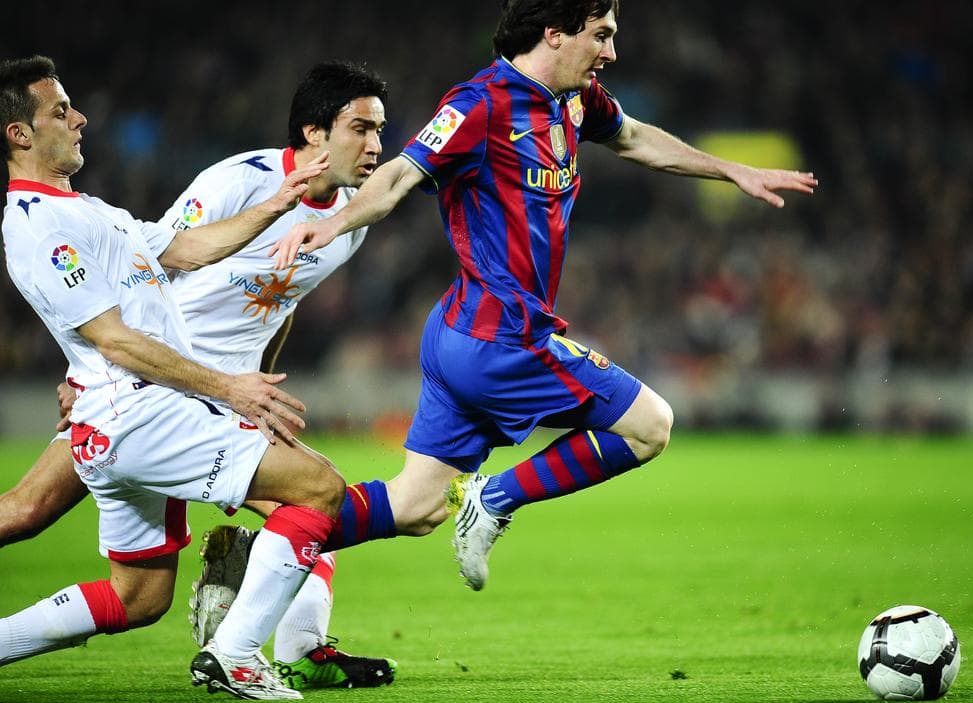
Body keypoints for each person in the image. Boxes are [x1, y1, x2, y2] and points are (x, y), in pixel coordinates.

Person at [267, 0, 819, 593]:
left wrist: (731, 170)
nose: (611, 52)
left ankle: (263, 552)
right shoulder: (479, 103)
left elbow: (634, 138)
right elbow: (402, 172)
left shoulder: (575, 100)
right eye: (600, 35)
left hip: (459, 333)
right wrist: (334, 222)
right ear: (555, 34)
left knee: (414, 507)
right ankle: (494, 497)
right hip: (499, 339)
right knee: (650, 426)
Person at [0, 60, 397, 691]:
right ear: (19, 134)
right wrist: (225, 387)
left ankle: (289, 643)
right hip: (149, 403)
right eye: (61, 110)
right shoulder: (38, 223)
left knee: (139, 597)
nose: (80, 119)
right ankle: (243, 650)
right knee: (315, 491)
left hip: (153, 405)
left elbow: (191, 252)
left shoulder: (90, 210)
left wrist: (280, 205)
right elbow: (112, 334)